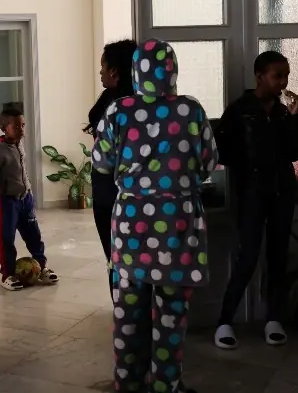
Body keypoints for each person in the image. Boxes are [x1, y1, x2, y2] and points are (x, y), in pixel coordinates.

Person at [92, 38, 218, 393]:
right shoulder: (190, 111)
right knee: (170, 313)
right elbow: (209, 163)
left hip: (132, 224)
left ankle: (128, 383)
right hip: (178, 223)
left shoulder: (118, 111)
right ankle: (166, 384)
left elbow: (101, 163)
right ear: (172, 70)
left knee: (128, 311)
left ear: (135, 71)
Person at [212, 51, 298, 350]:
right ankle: (225, 320)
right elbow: (221, 151)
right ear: (260, 76)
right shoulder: (240, 110)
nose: (283, 82)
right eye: (278, 75)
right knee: (247, 255)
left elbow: (294, 153)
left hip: (282, 192)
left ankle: (273, 318)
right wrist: (245, 165)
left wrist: (294, 118)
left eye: (286, 76)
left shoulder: (282, 112)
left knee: (278, 255)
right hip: (251, 193)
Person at [0, 108, 59, 291]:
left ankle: (41, 266)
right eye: (16, 126)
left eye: (23, 125)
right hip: (6, 202)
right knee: (6, 239)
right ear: (4, 128)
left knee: (34, 235)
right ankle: (7, 274)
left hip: (25, 199)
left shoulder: (19, 145)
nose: (21, 129)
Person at [84, 39, 138, 291]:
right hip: (113, 191)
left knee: (117, 259)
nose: (100, 71)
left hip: (113, 192)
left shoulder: (120, 106)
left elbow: (106, 156)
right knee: (122, 257)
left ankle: (125, 314)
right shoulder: (126, 99)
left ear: (114, 71)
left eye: (103, 66)